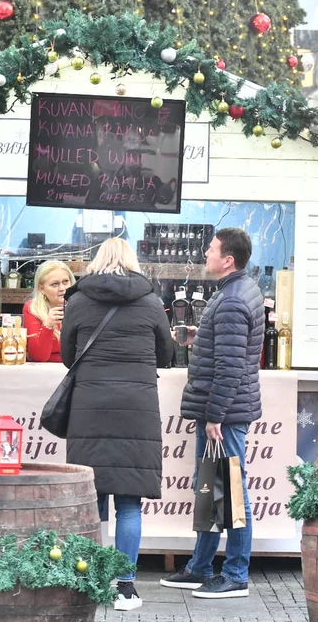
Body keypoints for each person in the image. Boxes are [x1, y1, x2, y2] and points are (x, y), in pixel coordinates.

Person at [60, 238, 175, 611]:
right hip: (136, 408)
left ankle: (89, 580)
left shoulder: (77, 300)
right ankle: (126, 587)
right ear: (132, 261)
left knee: (90, 503)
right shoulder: (151, 301)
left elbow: (66, 356)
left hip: (89, 407)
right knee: (129, 503)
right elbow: (166, 356)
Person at [160, 227, 263, 599]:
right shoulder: (238, 291)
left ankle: (236, 574)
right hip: (223, 410)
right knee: (211, 487)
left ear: (228, 259)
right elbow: (227, 347)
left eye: (212, 249)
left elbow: (231, 366)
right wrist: (194, 335)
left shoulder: (233, 299)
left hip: (225, 414)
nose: (206, 253)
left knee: (230, 491)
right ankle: (201, 567)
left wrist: (216, 414)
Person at [23, 260, 76, 362]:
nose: (62, 288)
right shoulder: (32, 309)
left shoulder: (80, 307)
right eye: (54, 284)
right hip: (45, 374)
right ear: (41, 288)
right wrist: (48, 325)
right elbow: (38, 357)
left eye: (66, 282)